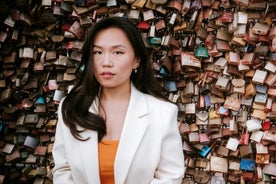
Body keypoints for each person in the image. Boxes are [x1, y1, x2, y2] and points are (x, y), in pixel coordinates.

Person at [52, 16, 185, 184]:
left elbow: (170, 177)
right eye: (98, 52)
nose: (106, 62)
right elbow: (63, 170)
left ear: (136, 60)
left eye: (117, 52)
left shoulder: (162, 113)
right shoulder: (71, 107)